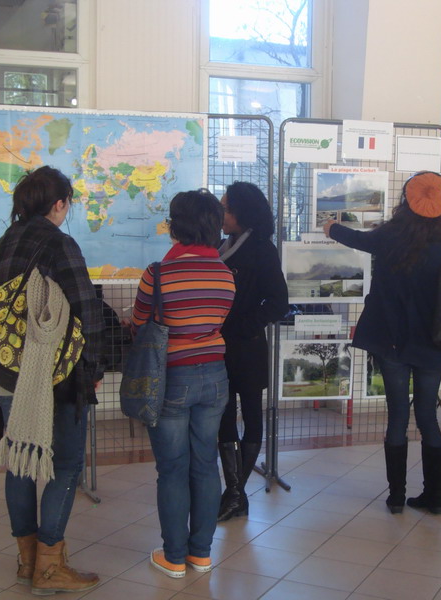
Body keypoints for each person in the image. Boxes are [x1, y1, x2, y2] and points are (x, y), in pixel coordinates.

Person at [0, 166, 103, 594]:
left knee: (19, 458)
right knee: (66, 462)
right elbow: (86, 309)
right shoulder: (60, 243)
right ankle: (50, 564)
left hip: (6, 369)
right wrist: (94, 370)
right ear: (59, 204)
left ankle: (26, 560)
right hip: (54, 374)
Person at [324, 171, 441, 515]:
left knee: (397, 417)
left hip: (391, 341)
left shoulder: (389, 237)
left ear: (407, 200)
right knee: (428, 418)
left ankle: (396, 496)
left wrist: (331, 228)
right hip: (432, 343)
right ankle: (435, 495)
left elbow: (357, 239)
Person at [131, 189, 235, 578]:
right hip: (215, 376)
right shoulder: (224, 274)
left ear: (177, 226)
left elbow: (142, 325)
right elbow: (216, 321)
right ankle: (202, 554)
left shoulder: (158, 273)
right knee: (206, 465)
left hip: (170, 378)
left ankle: (173, 557)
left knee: (173, 469)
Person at [216, 181, 289, 522]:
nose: (222, 214)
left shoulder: (262, 249)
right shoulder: (220, 246)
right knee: (224, 416)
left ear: (243, 213)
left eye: (227, 209)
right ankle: (235, 493)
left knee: (252, 415)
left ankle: (235, 492)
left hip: (247, 347)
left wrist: (245, 325)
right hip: (220, 348)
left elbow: (278, 302)